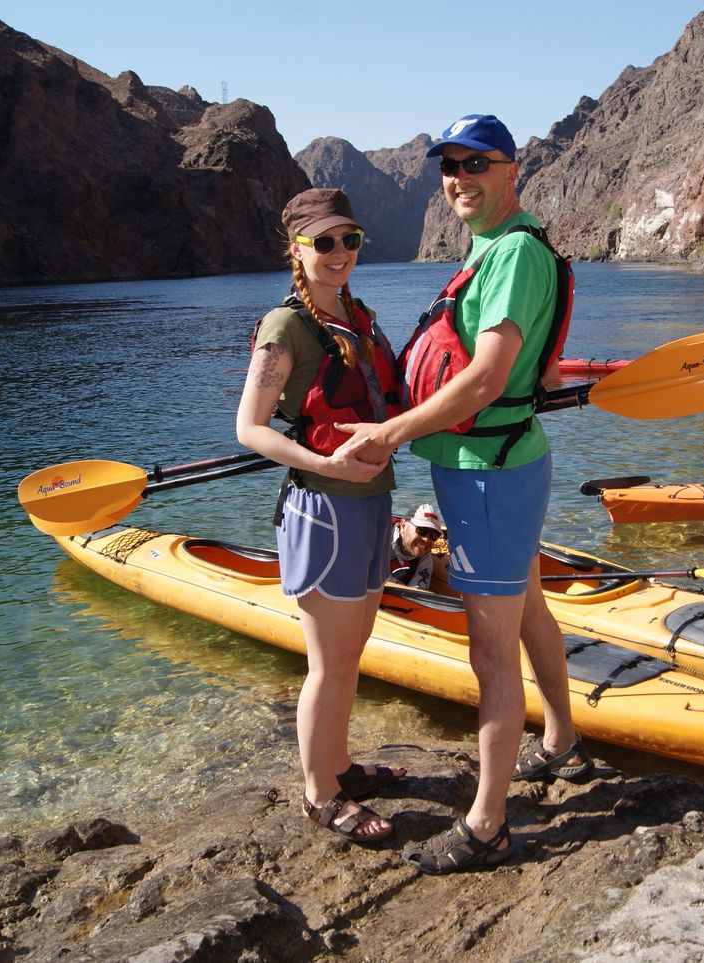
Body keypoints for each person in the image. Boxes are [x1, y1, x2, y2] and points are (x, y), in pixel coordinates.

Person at [338, 114, 590, 874]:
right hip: (495, 466)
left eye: (476, 163)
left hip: (490, 475)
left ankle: (487, 824)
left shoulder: (512, 253)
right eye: (449, 166)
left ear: (512, 169)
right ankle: (562, 742)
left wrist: (390, 433)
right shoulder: (502, 245)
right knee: (530, 607)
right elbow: (527, 370)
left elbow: (482, 379)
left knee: (491, 652)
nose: (459, 178)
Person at [234, 187, 406, 844]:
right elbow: (250, 428)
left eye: (349, 240)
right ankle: (319, 794)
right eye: (324, 241)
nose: (339, 252)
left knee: (351, 654)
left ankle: (339, 766)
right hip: (324, 511)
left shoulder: (358, 317)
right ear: (297, 247)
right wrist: (326, 464)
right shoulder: (285, 327)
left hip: (373, 502)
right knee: (329, 665)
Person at [389, 503, 441, 589]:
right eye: (422, 530)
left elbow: (417, 590)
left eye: (434, 535)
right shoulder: (380, 538)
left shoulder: (425, 557)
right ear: (403, 526)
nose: (426, 539)